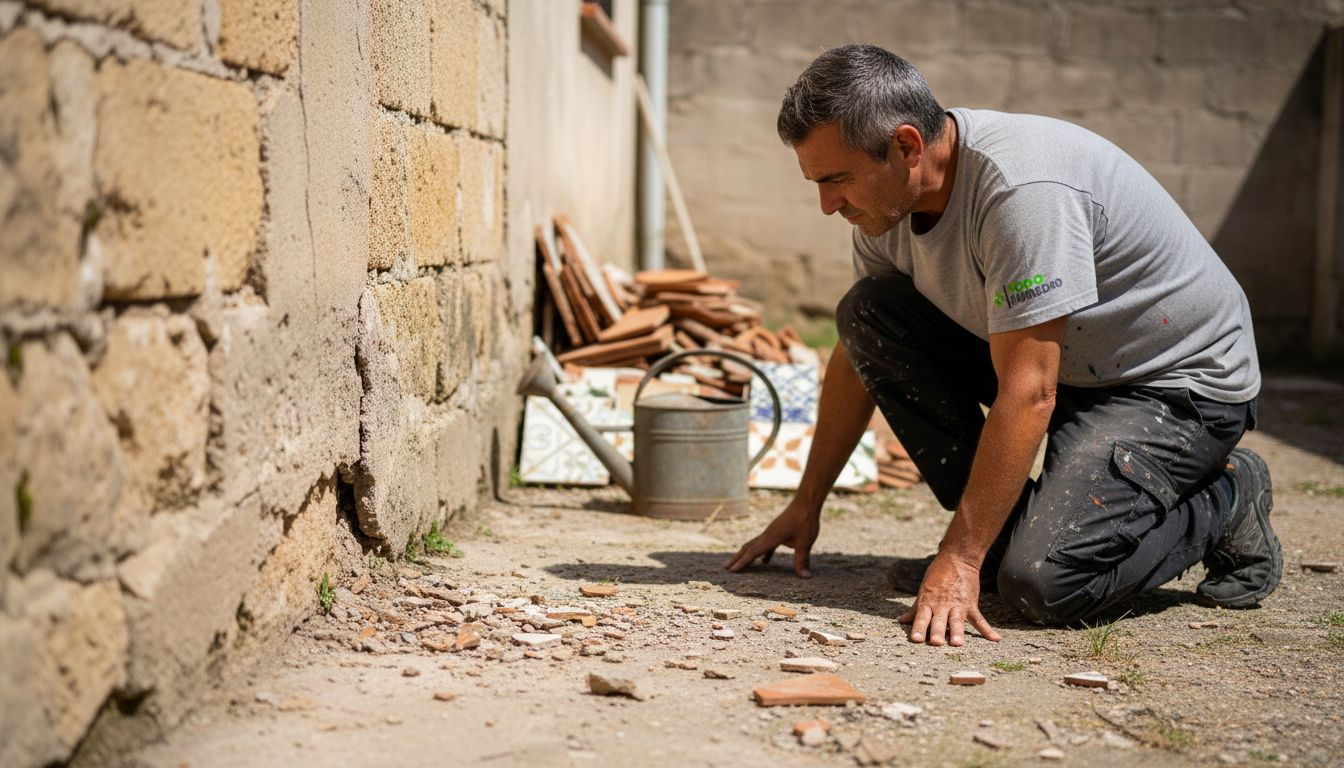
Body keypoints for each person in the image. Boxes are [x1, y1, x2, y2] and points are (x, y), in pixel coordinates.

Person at [725, 44, 1281, 647]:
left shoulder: (1021, 191)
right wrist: (808, 501)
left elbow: (1030, 390)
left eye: (836, 179)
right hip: (1070, 363)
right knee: (868, 313)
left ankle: (1226, 499)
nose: (827, 204)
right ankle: (999, 543)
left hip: (1172, 382)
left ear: (908, 147)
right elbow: (859, 354)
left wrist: (961, 558)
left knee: (1043, 584)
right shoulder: (885, 209)